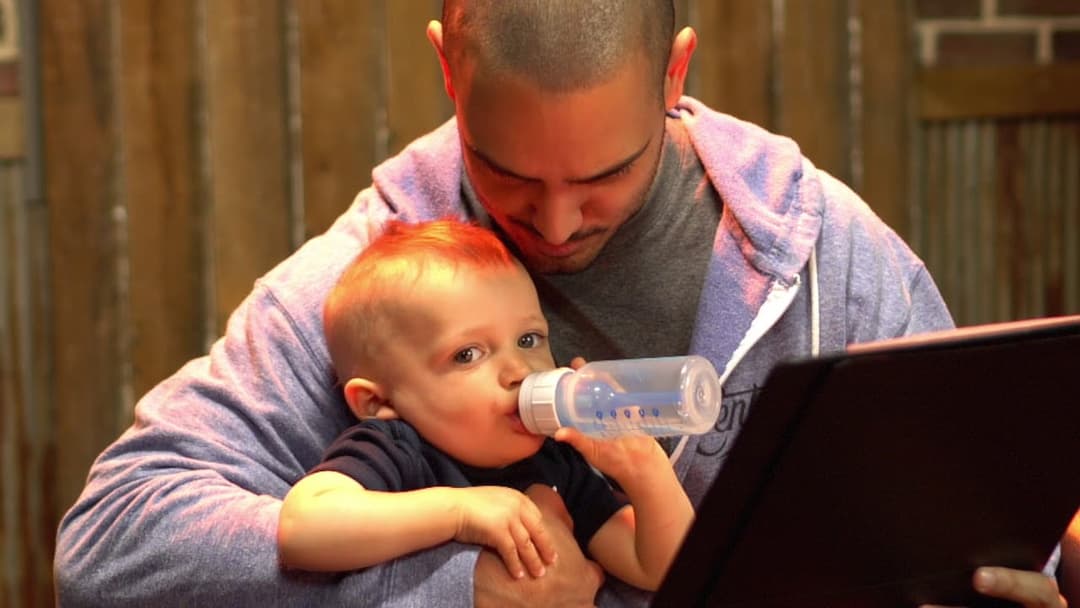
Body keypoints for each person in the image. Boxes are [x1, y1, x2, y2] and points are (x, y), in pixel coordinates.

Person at [54, 1, 1077, 606]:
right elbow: (113, 545)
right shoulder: (378, 273)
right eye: (504, 173)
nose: (549, 224)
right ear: (448, 67)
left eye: (604, 175)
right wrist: (460, 586)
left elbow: (983, 508)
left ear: (673, 70)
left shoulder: (824, 254)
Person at [276, 219, 693, 592]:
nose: (518, 370)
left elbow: (660, 569)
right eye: (468, 354)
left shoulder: (559, 461)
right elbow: (301, 531)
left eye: (529, 340)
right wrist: (457, 512)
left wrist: (644, 469)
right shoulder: (397, 449)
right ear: (378, 400)